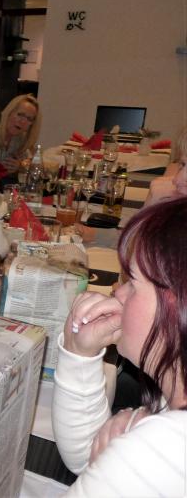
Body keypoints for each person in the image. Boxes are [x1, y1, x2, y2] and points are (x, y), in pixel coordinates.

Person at [52, 197, 187, 496]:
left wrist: (134, 450)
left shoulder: (166, 448)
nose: (119, 293)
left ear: (177, 305)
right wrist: (79, 354)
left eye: (133, 283)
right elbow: (89, 458)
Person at [0, 94, 41, 175]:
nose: (23, 121)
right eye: (20, 114)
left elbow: (32, 163)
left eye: (29, 119)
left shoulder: (20, 139)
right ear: (9, 112)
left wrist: (20, 166)